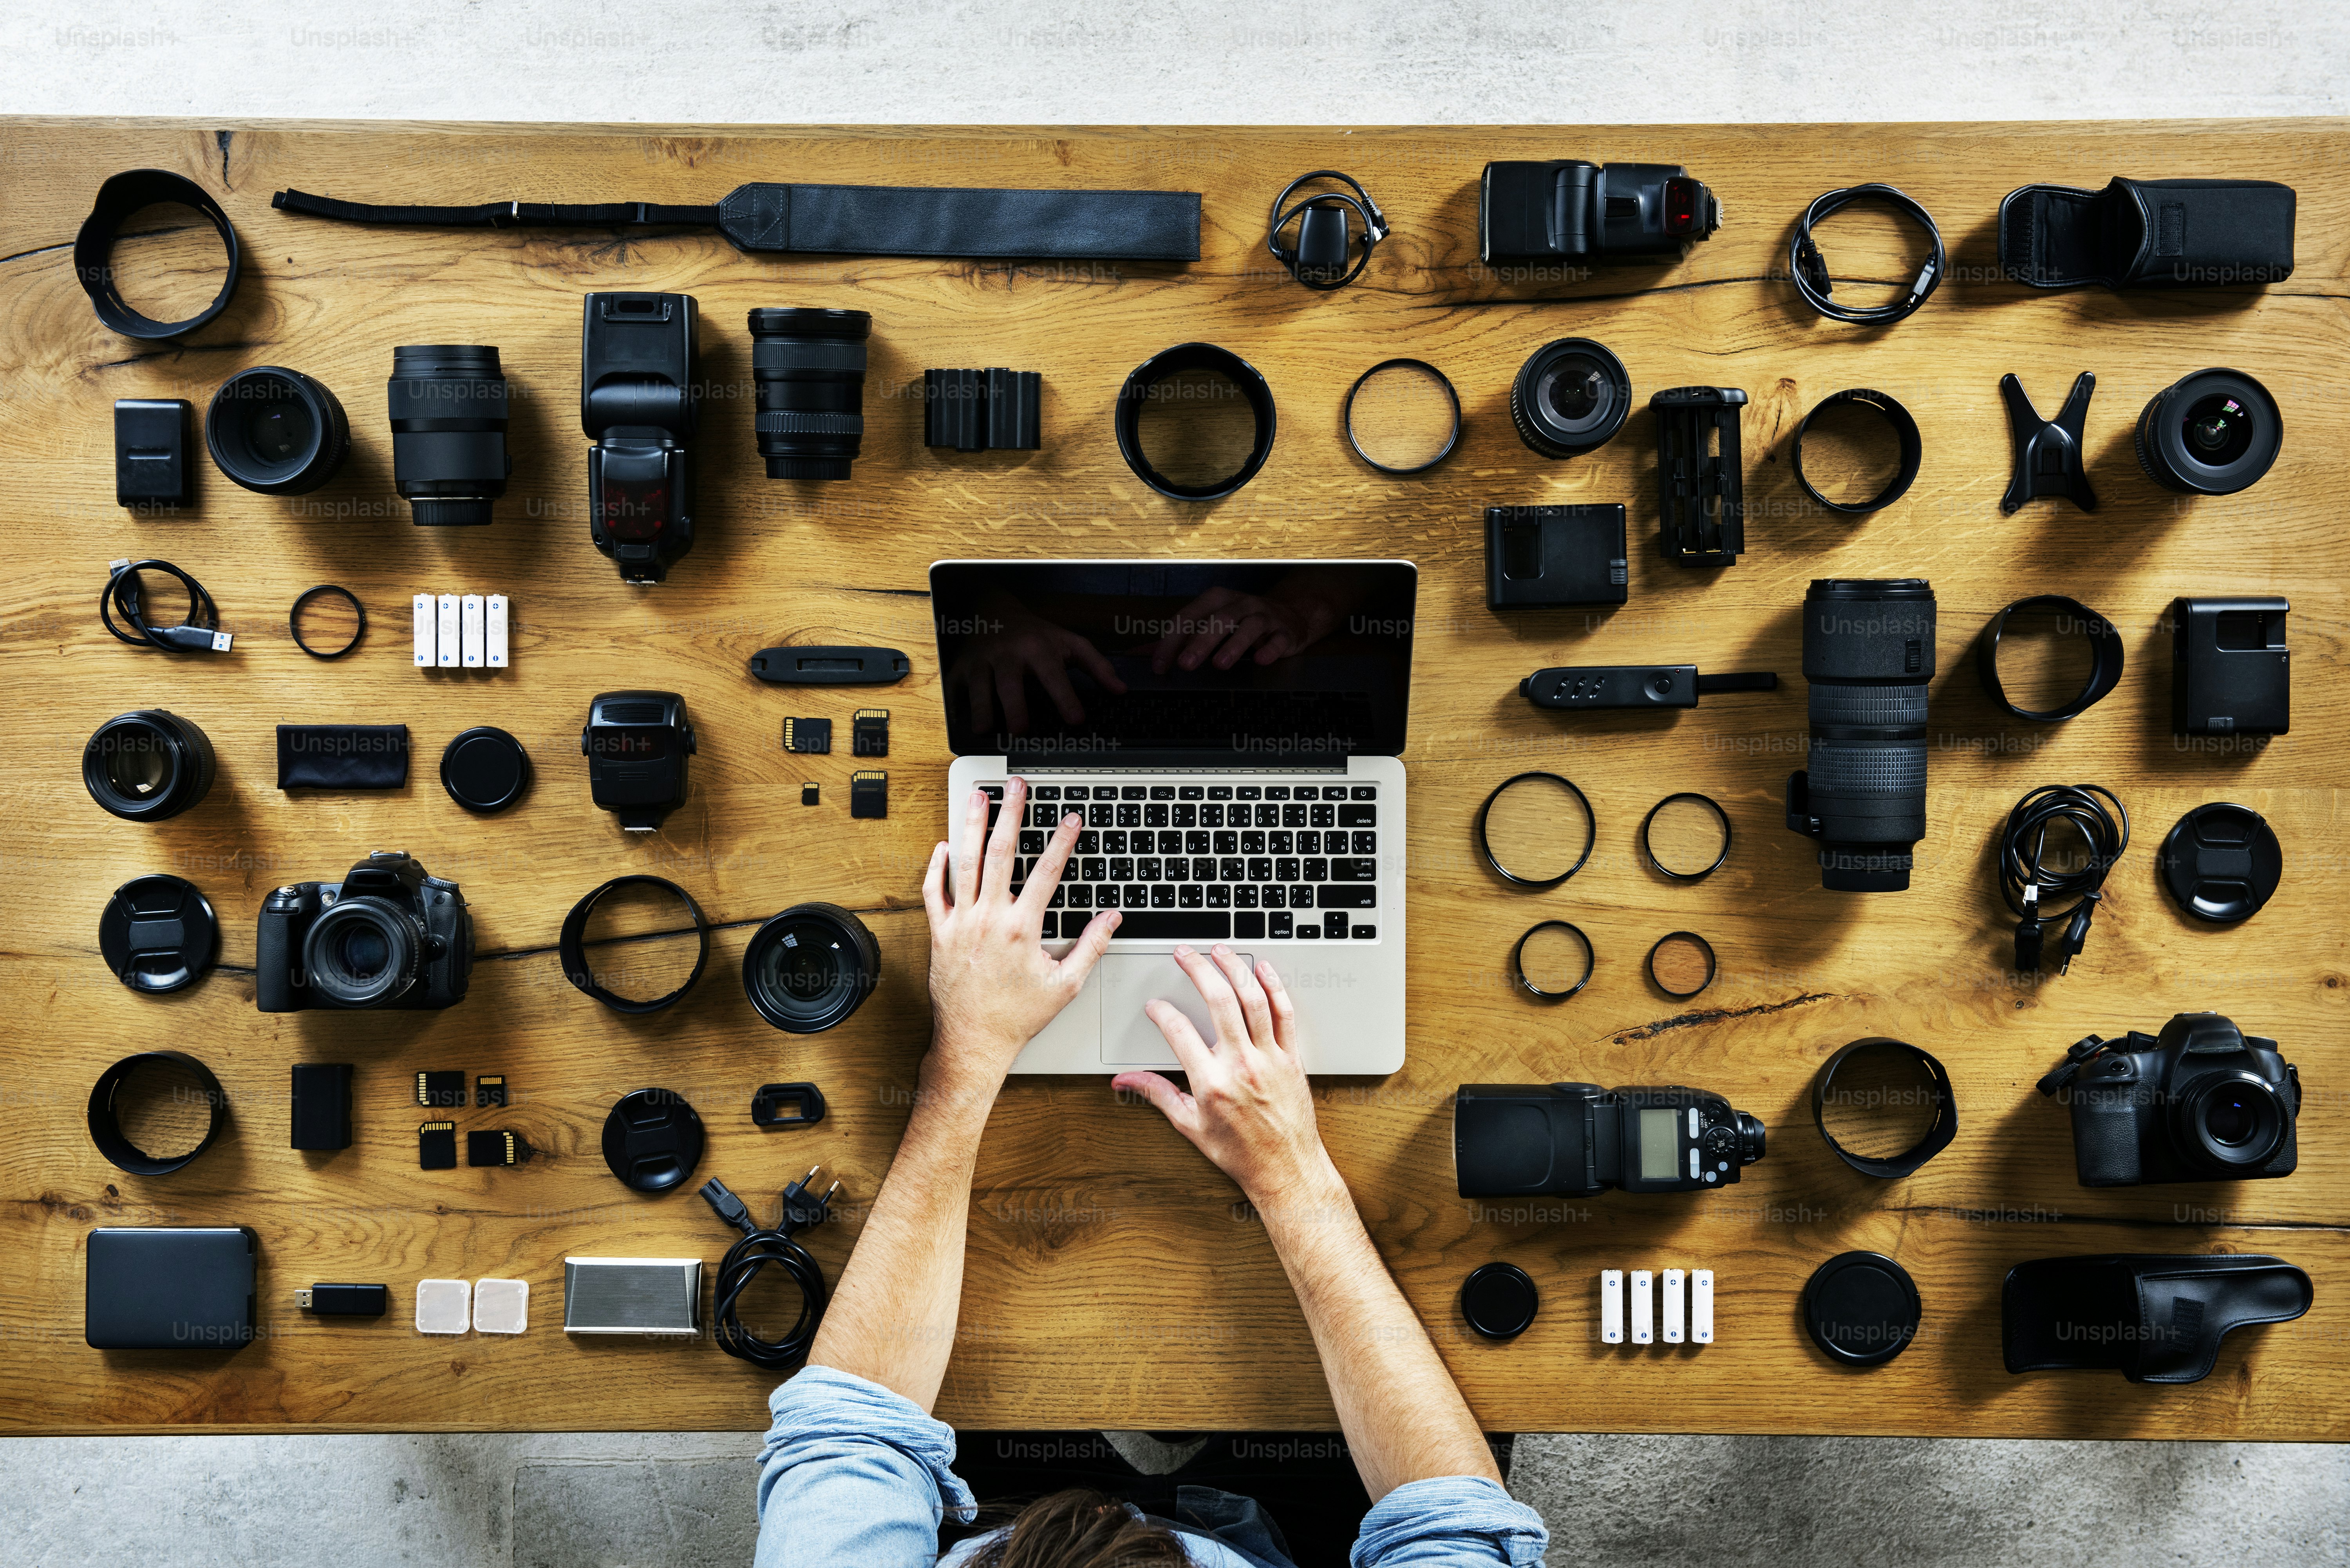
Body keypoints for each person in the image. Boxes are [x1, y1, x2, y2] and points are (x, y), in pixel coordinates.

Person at [754, 779, 1547, 1568]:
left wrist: (962, 1059)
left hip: (1005, 1509)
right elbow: (1455, 1527)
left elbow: (849, 1433)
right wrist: (1290, 1173)